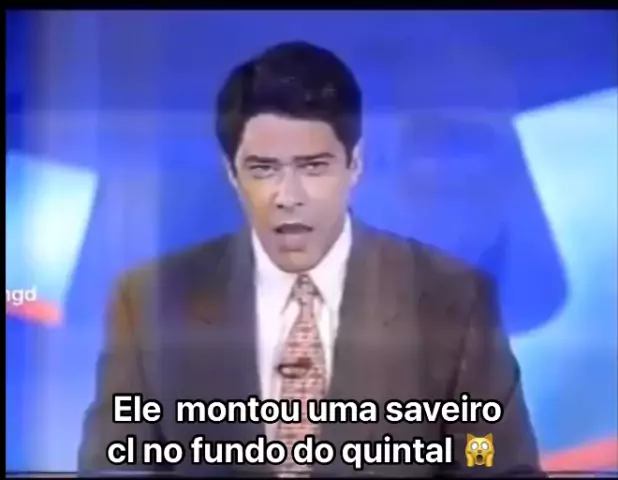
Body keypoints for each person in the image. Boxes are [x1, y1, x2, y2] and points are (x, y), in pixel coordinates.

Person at [78, 41, 543, 477]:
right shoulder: (148, 303)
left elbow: (496, 466)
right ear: (232, 173)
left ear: (354, 164)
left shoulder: (454, 301)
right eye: (264, 169)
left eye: (314, 167)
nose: (289, 196)